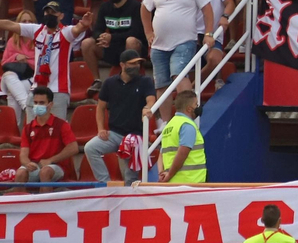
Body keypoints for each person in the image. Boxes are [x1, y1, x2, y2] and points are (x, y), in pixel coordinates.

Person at [142, 0, 216, 90]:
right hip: (159, 44)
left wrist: (208, 33)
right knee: (161, 84)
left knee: (179, 75)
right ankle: (166, 112)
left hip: (184, 41)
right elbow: (145, 8)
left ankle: (187, 110)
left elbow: (207, 10)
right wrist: (148, 32)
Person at [83, 50, 156, 185]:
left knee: (130, 178)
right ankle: (106, 184)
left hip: (136, 136)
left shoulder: (145, 81)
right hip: (115, 133)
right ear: (122, 65)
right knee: (90, 147)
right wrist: (100, 129)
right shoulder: (110, 83)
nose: (136, 66)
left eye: (138, 63)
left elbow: (151, 99)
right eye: (132, 63)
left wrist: (148, 107)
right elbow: (100, 107)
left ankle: (128, 199)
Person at [15, 85, 79, 185]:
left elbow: (73, 148)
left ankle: (45, 200)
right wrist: (28, 164)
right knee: (20, 173)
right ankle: (20, 199)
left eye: (41, 103)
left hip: (56, 166)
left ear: (50, 104)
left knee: (45, 172)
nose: (37, 106)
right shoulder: (28, 128)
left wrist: (50, 160)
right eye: (35, 103)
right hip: (35, 165)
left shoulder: (62, 125)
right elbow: (23, 155)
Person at [156, 89, 207, 183]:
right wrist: (170, 174)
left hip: (173, 182)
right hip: (190, 182)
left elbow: (161, 154)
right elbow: (182, 153)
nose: (198, 107)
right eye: (196, 104)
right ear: (189, 108)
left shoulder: (169, 125)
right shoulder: (187, 126)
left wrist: (161, 173)